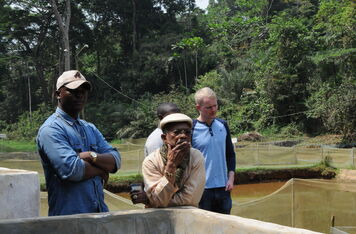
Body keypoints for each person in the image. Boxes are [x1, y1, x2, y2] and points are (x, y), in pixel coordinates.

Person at [37, 70, 121, 216]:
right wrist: (101, 169)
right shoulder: (51, 130)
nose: (80, 94)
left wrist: (89, 155)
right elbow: (73, 170)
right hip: (69, 221)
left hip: (98, 214)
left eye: (83, 91)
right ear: (58, 94)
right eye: (73, 90)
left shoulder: (89, 128)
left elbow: (116, 160)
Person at [141, 113, 206, 208]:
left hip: (187, 216)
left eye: (187, 132)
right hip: (158, 218)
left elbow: (190, 199)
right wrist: (171, 166)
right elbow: (159, 200)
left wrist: (154, 202)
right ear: (164, 138)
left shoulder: (196, 156)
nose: (183, 136)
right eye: (177, 132)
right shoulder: (151, 161)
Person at [191, 87, 236, 214]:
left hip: (224, 189)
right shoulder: (191, 129)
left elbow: (230, 155)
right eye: (208, 107)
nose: (214, 110)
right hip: (202, 190)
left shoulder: (223, 125)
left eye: (215, 105)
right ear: (198, 108)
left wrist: (231, 178)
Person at [131, 103, 181, 206]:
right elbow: (159, 170)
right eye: (172, 116)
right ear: (161, 118)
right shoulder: (157, 139)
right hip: (161, 199)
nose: (177, 119)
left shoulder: (175, 135)